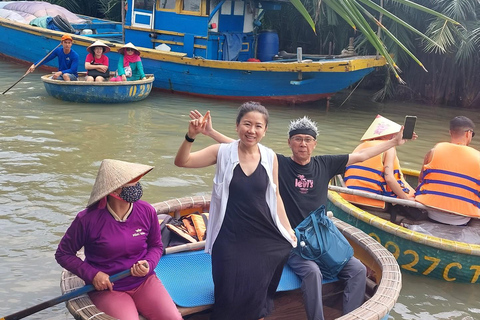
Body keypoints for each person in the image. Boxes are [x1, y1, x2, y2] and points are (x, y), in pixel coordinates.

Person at [188, 110, 411, 320]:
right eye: (297, 139)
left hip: (323, 238)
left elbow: (362, 155)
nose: (303, 144)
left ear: (314, 143)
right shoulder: (278, 163)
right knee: (313, 273)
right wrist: (210, 133)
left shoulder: (325, 164)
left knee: (358, 270)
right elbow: (243, 146)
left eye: (307, 139)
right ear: (289, 142)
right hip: (294, 240)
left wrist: (393, 142)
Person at [174, 102, 297, 320]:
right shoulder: (221, 152)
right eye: (247, 124)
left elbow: (276, 195)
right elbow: (182, 162)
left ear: (265, 130)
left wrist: (287, 228)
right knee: (229, 291)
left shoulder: (270, 157)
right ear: (237, 126)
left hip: (261, 233)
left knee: (258, 285)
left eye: (258, 126)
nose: (252, 130)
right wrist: (190, 136)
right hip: (229, 234)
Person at [55, 159, 182, 320]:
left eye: (137, 181)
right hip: (109, 288)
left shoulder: (146, 211)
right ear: (113, 192)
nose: (136, 186)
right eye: (131, 183)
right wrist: (93, 275)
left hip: (143, 281)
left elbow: (156, 246)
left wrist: (148, 264)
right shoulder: (87, 219)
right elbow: (63, 254)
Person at [341, 115, 422, 222]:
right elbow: (389, 179)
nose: (395, 135)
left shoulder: (360, 146)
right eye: (393, 133)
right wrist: (406, 200)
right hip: (372, 202)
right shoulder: (389, 148)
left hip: (348, 197)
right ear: (387, 135)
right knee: (416, 209)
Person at [416, 116, 480, 225]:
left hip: (431, 211)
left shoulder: (433, 151)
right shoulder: (478, 157)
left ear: (450, 132)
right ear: (468, 133)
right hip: (462, 219)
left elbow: (421, 181)